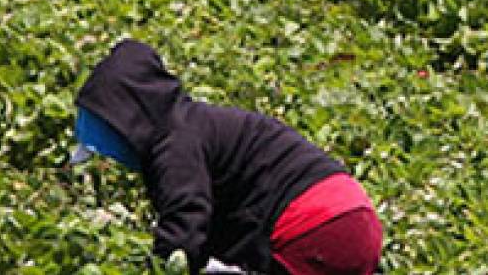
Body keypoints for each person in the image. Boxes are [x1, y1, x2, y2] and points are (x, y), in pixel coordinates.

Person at [71, 40, 383, 274]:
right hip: (352, 215)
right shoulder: (198, 123)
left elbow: (185, 225)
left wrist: (160, 264)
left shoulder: (175, 144)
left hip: (316, 226)